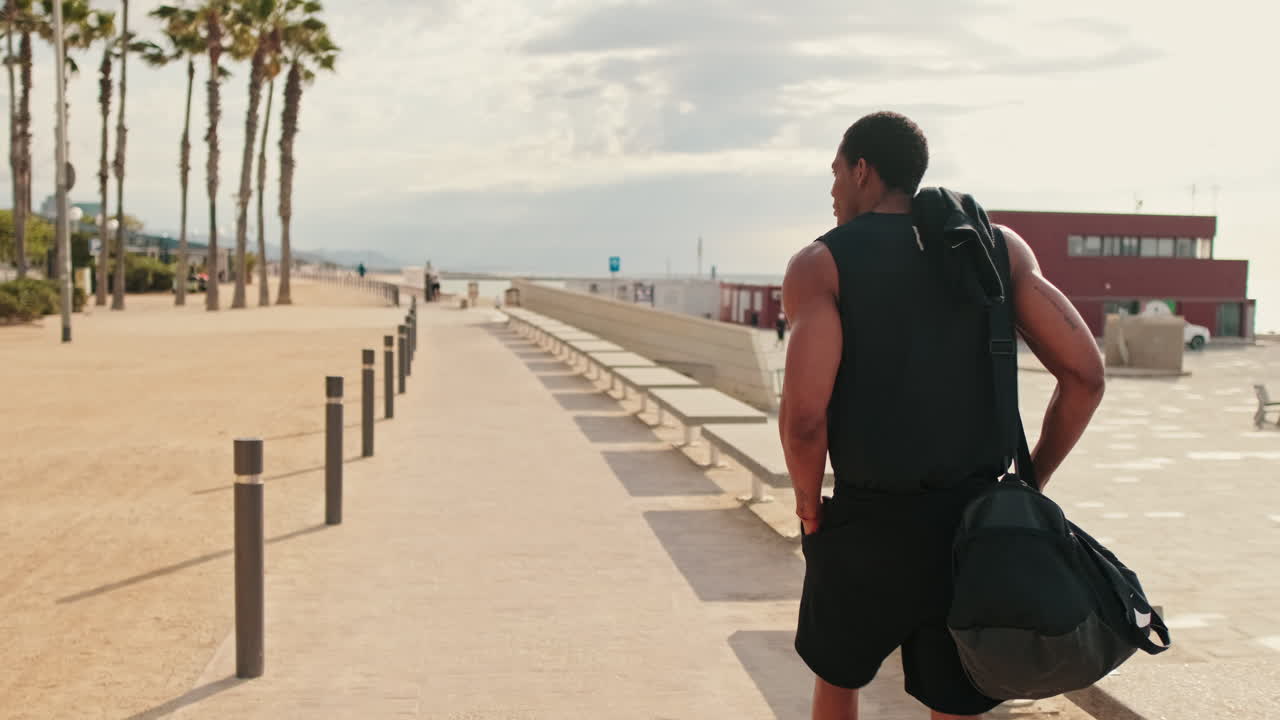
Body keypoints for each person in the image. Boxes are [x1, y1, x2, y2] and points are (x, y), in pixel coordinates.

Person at [779, 111, 1105, 720]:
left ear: (862, 170)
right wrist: (1030, 481)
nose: (831, 194)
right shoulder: (999, 249)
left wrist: (807, 506)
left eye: (834, 176)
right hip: (975, 525)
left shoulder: (821, 265)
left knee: (838, 678)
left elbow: (803, 419)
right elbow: (1085, 378)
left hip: (867, 522)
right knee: (956, 699)